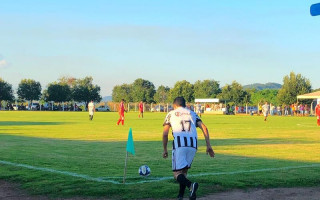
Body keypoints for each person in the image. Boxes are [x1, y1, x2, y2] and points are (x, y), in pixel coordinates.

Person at [162, 97, 215, 200]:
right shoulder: (192, 113)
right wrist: (208, 145)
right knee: (184, 172)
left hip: (180, 145)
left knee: (177, 174)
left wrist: (165, 149)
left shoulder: (171, 114)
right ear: (185, 105)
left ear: (174, 105)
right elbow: (204, 128)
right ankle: (181, 196)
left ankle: (191, 185)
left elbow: (165, 133)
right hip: (193, 146)